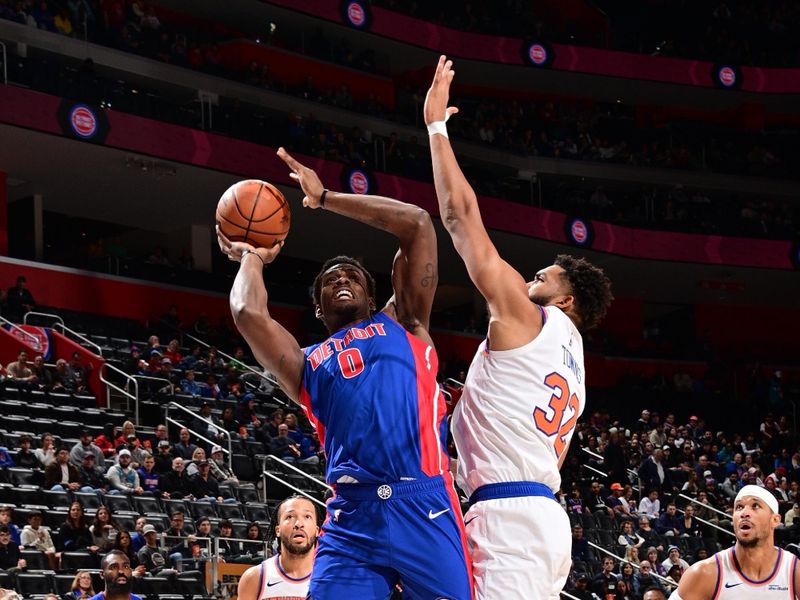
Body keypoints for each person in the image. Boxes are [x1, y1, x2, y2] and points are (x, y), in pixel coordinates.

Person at [217, 147, 470, 600]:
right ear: (317, 308)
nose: (341, 280)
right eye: (330, 281)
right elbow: (246, 312)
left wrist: (326, 197)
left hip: (425, 503)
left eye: (352, 275)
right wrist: (252, 255)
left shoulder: (405, 322)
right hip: (353, 517)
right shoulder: (307, 362)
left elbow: (416, 223)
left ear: (374, 300)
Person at [424, 55, 613, 599]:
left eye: (544, 275)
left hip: (510, 519)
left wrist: (436, 127)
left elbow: (461, 220)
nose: (533, 275)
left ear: (567, 297)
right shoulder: (574, 362)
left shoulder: (532, 319)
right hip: (535, 517)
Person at [670, 485, 798, 599]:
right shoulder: (704, 573)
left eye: (755, 506)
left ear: (775, 520)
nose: (744, 513)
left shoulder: (794, 572)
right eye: (739, 507)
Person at [237, 496, 318, 600]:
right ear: (278, 530)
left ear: (317, 530)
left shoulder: (331, 579)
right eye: (290, 517)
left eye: (307, 516)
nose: (299, 524)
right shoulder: (254, 578)